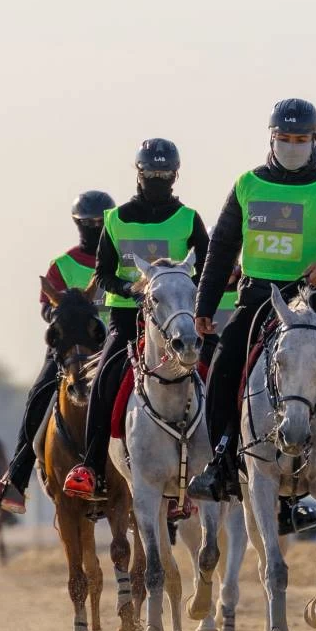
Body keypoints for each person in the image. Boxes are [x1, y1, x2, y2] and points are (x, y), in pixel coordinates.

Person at [188, 98, 316, 508]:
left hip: (314, 302)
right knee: (223, 367)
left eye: (300, 138)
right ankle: (220, 461)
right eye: (284, 138)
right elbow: (220, 250)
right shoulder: (246, 185)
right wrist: (204, 306)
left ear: (314, 140)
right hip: (257, 301)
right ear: (271, 138)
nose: (291, 145)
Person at [62, 140, 210, 510]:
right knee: (107, 378)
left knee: (219, 373)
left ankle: (224, 462)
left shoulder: (189, 218)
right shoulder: (116, 219)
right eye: (151, 174)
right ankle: (91, 467)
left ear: (175, 175)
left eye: (164, 174)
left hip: (177, 320)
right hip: (129, 316)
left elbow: (209, 268)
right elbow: (103, 273)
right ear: (139, 173)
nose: (157, 180)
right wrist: (130, 288)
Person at [0, 188, 114, 515]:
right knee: (39, 395)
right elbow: (45, 308)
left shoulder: (122, 262)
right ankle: (16, 480)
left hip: (114, 346)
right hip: (70, 352)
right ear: (78, 225)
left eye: (100, 223)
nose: (94, 228)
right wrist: (63, 315)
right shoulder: (62, 266)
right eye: (88, 223)